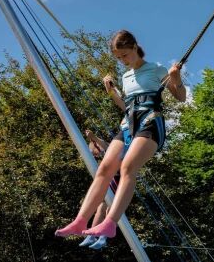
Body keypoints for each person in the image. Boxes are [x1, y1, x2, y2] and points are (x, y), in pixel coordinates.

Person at [55, 29, 186, 242]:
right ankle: (80, 221)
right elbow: (127, 107)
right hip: (128, 124)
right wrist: (112, 93)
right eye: (118, 58)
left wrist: (176, 78)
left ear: (134, 47)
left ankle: (110, 223)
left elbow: (180, 97)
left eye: (124, 55)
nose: (123, 61)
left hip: (150, 122)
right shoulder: (125, 77)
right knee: (104, 169)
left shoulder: (156, 69)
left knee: (127, 168)